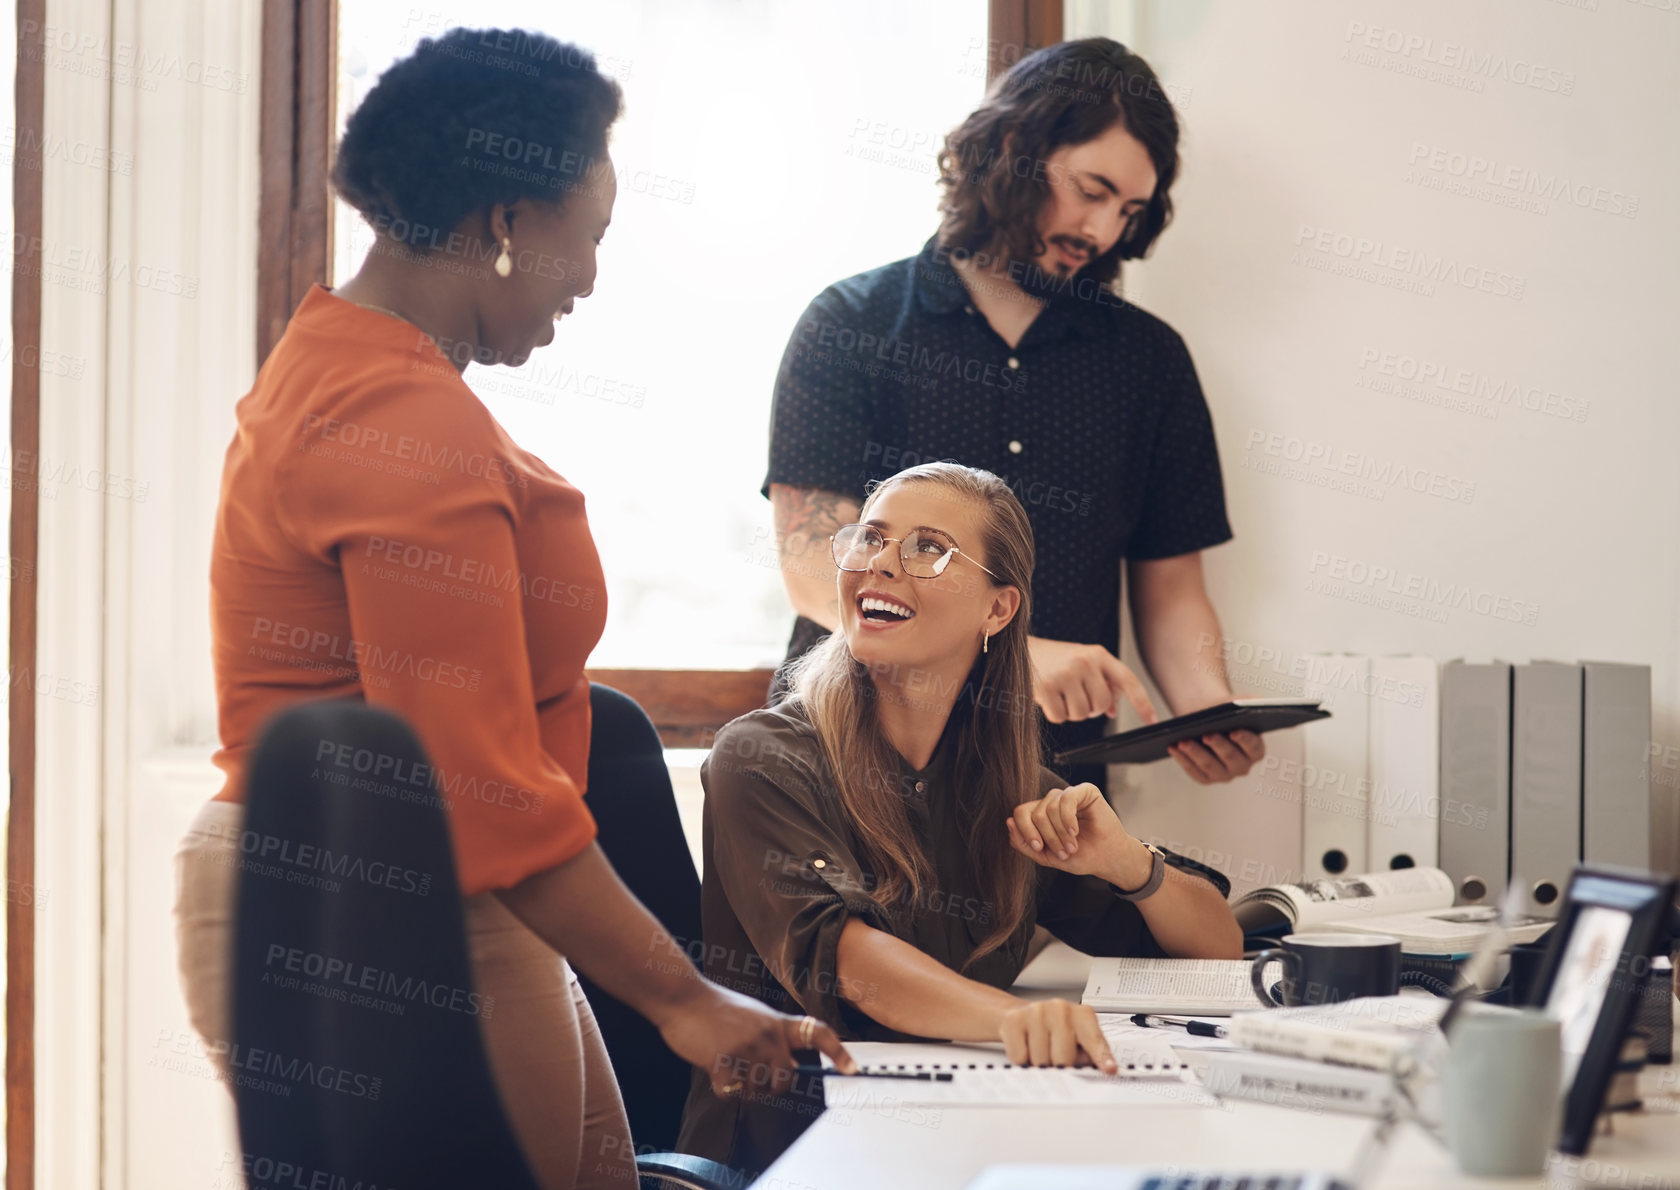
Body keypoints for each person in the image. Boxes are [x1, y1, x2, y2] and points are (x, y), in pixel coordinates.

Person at [174, 28, 851, 1190]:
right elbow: (474, 786)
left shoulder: (349, 365)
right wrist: (689, 1002)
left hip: (405, 893)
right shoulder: (399, 419)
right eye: (587, 238)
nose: (589, 280)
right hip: (391, 912)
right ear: (506, 223)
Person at [678, 462, 1242, 1172]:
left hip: (960, 1135)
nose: (881, 564)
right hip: (797, 1149)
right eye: (871, 539)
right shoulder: (761, 757)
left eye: (926, 548)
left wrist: (1126, 862)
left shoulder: (1010, 789)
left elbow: (1214, 951)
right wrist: (1013, 1019)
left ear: (997, 610)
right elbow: (846, 961)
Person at [765, 37, 1262, 792]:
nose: (1101, 233)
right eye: (1090, 190)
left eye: (1127, 210)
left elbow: (1172, 591)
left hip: (1048, 788)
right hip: (850, 767)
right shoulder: (849, 325)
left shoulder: (1149, 360)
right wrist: (1014, 654)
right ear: (1010, 148)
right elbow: (810, 566)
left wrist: (1205, 710)